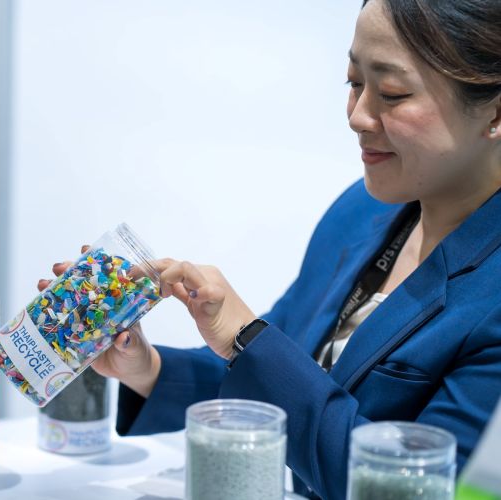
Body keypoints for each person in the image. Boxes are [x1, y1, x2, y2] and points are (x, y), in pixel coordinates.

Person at [39, 0, 501, 498]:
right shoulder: (361, 212)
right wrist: (146, 368)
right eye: (353, 82)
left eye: (392, 93)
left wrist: (245, 336)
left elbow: (422, 487)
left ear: (495, 113)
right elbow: (282, 377)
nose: (357, 116)